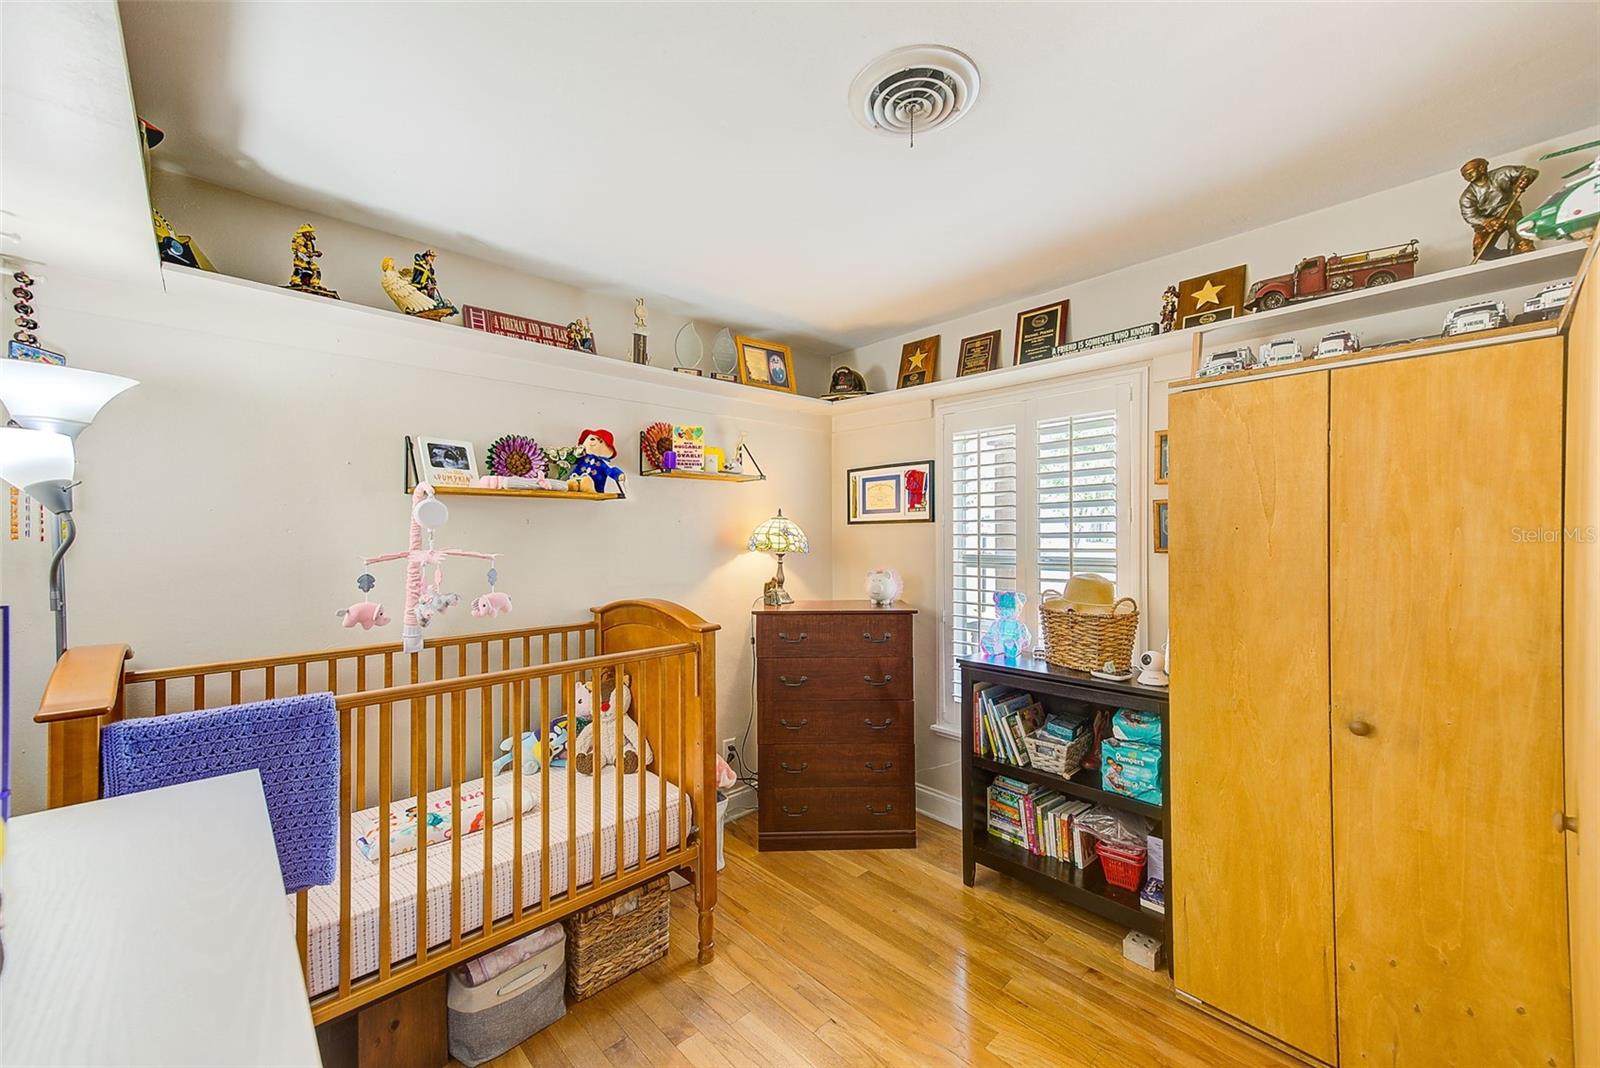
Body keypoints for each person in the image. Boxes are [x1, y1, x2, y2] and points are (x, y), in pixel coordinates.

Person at [1459, 157, 1539, 259]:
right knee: (1481, 250)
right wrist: (1487, 222)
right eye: (1465, 176)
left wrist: (1525, 179)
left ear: (1482, 168)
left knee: (1514, 223)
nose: (1467, 176)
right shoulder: (1468, 196)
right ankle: (1508, 257)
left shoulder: (1501, 174)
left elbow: (1529, 171)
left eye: (1470, 172)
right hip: (1487, 222)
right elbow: (1469, 215)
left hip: (1508, 209)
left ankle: (1523, 247)